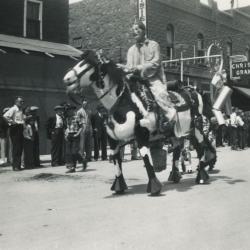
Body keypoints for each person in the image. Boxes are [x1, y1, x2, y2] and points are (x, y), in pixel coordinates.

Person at [117, 21, 176, 123]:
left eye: (137, 29)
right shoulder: (131, 50)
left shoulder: (153, 45)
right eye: (133, 30)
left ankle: (172, 119)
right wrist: (120, 67)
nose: (134, 32)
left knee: (161, 95)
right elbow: (129, 67)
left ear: (144, 31)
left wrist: (139, 68)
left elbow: (155, 63)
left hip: (152, 79)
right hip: (136, 80)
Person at [3, 97, 25, 171]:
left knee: (20, 148)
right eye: (20, 102)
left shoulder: (20, 109)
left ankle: (18, 165)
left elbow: (21, 119)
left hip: (20, 128)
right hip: (15, 128)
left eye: (22, 102)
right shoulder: (13, 109)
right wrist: (12, 122)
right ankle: (15, 166)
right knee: (16, 147)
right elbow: (5, 116)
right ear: (16, 102)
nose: (22, 103)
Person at [64, 105, 83, 173]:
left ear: (73, 110)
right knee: (69, 152)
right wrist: (66, 135)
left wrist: (77, 134)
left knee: (74, 152)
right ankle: (75, 165)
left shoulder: (77, 117)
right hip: (69, 135)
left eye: (71, 110)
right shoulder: (67, 119)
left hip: (76, 135)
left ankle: (73, 167)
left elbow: (81, 127)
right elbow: (66, 128)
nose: (69, 111)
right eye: (68, 110)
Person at [76, 99, 93, 169]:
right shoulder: (79, 111)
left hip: (88, 128)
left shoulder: (89, 111)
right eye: (84, 104)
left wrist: (91, 129)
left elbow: (90, 120)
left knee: (88, 144)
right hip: (82, 128)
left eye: (86, 104)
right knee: (82, 144)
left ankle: (88, 157)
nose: (85, 105)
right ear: (82, 104)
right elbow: (77, 120)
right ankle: (81, 158)